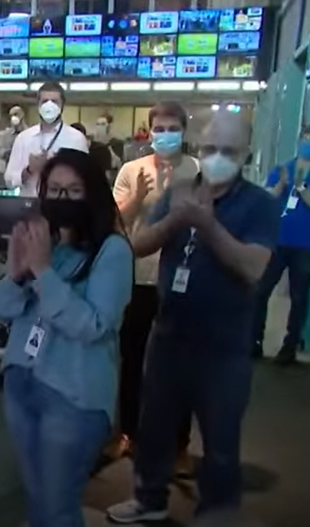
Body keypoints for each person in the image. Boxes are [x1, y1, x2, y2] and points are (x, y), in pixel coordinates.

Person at [107, 112, 277, 523]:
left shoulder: (260, 205)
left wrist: (207, 225)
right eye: (210, 149)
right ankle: (150, 498)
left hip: (224, 344)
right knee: (156, 425)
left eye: (229, 151)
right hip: (169, 334)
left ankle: (217, 510)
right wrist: (175, 218)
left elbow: (253, 267)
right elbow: (141, 243)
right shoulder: (180, 191)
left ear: (246, 154)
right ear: (197, 151)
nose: (218, 157)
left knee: (220, 438)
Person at [0, 148, 133, 527]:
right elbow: (0, 308)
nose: (61, 199)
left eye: (72, 191)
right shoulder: (45, 241)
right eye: (53, 190)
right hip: (22, 386)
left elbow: (93, 325)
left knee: (58, 505)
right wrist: (19, 273)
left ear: (93, 195)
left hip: (73, 398)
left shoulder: (112, 251)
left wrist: (42, 270)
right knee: (37, 499)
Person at [110, 102, 200, 463]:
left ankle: (179, 442)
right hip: (138, 277)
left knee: (180, 362)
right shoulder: (132, 170)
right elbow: (114, 221)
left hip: (182, 278)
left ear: (183, 130)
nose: (165, 135)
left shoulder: (196, 171)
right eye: (159, 128)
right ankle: (129, 432)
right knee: (131, 359)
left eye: (172, 128)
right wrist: (138, 197)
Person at [254, 124, 310, 365]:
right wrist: (281, 185)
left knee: (298, 298)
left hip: (305, 246)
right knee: (260, 291)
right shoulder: (282, 168)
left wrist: (300, 186)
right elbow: (268, 199)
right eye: (305, 140)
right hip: (277, 241)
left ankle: (289, 346)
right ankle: (254, 341)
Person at [3, 82, 89, 196]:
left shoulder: (76, 139)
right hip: (29, 207)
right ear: (38, 105)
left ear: (62, 105)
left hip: (63, 206)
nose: (49, 105)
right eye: (44, 101)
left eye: (54, 101)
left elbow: (86, 180)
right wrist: (29, 170)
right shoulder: (23, 138)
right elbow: (9, 180)